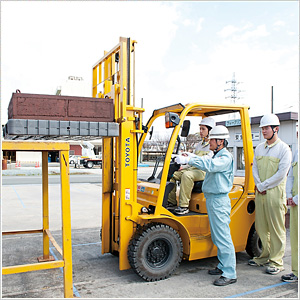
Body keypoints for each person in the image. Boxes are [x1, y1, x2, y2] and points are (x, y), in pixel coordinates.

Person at [175, 125, 237, 286]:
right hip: (212, 199)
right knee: (217, 236)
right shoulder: (216, 154)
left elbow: (210, 166)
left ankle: (230, 273)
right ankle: (223, 266)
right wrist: (190, 155)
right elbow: (206, 161)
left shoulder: (225, 157)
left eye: (212, 140)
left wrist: (189, 159)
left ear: (221, 141)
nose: (209, 141)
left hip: (219, 200)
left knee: (223, 237)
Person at [249, 113, 292, 275]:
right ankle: (263, 257)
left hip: (275, 193)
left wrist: (264, 185)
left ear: (276, 129)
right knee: (261, 227)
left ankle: (277, 261)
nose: (264, 131)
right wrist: (259, 184)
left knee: (276, 228)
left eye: (267, 128)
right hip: (261, 192)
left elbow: (282, 173)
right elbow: (254, 168)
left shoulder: (284, 149)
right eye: (262, 128)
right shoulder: (260, 148)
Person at [167, 117, 215, 215]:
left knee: (187, 175)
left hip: (204, 171)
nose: (200, 131)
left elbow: (206, 161)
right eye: (200, 128)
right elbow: (191, 161)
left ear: (210, 130)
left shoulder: (212, 145)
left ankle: (184, 206)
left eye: (203, 129)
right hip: (194, 169)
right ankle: (171, 202)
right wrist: (183, 165)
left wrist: (190, 158)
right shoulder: (199, 145)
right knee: (172, 175)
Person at [281, 142, 298, 283]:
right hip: (295, 203)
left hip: (297, 200)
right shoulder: (297, 151)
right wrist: (289, 195)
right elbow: (291, 175)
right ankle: (296, 271)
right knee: (295, 239)